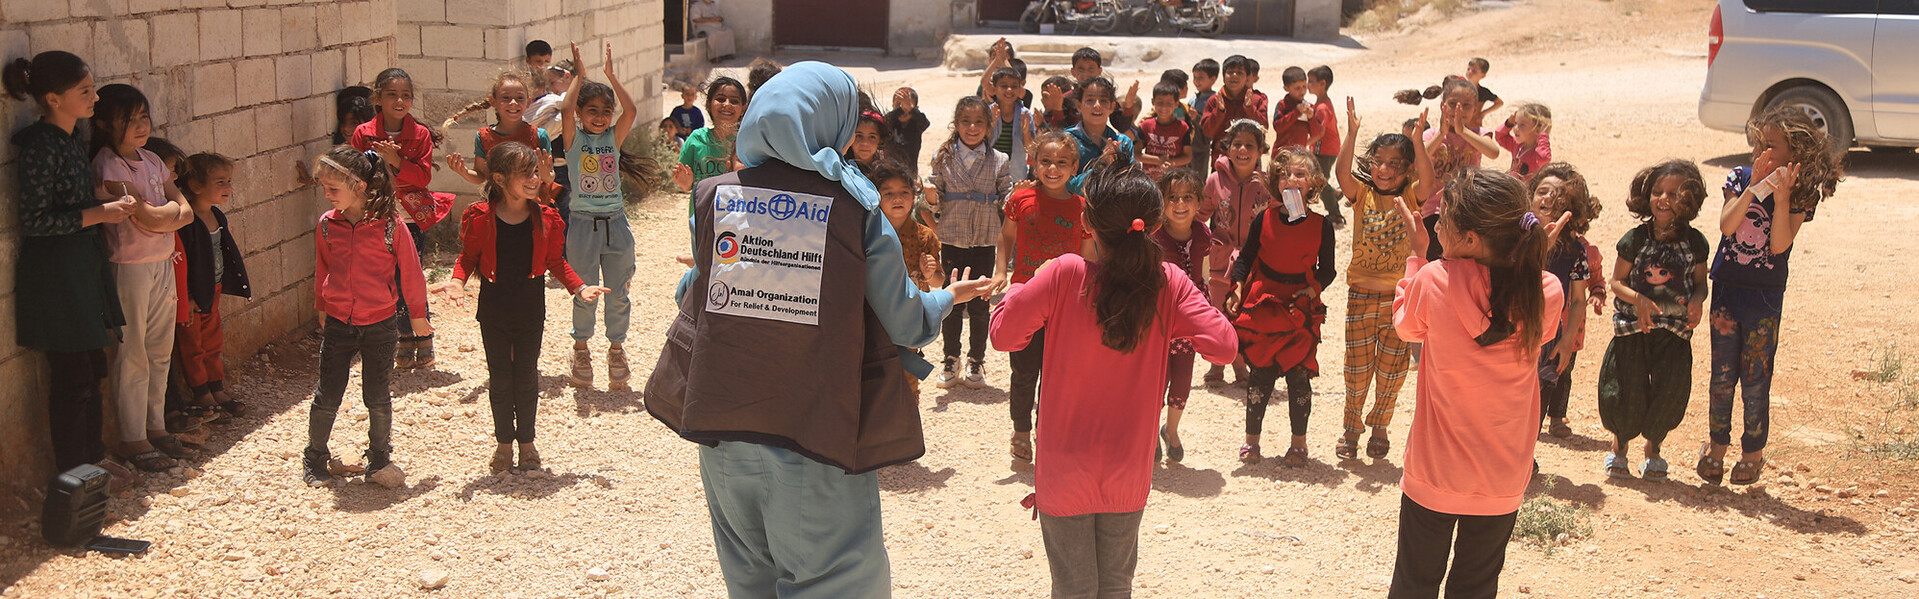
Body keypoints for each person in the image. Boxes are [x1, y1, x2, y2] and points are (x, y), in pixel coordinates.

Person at [643, 61, 991, 598]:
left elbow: (693, 293)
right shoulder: (855, 208)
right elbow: (905, 320)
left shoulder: (714, 196)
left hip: (720, 424)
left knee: (750, 581)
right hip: (813, 429)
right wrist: (947, 297)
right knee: (832, 580)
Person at [990, 158, 1236, 598]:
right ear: (1154, 223)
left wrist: (1018, 288)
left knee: (1072, 588)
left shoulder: (1065, 273)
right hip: (1128, 467)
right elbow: (1224, 346)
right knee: (1117, 586)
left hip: (1064, 467)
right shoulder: (1168, 282)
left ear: (1086, 222)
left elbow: (1004, 336)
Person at [1388, 169, 1567, 599]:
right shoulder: (1547, 290)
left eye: (1443, 221)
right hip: (1502, 478)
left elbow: (1406, 327)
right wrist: (1530, 264)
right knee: (1476, 587)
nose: (1436, 228)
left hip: (1435, 471)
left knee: (1413, 584)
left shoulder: (1433, 278)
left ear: (1469, 240)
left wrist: (1416, 255)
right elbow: (1533, 323)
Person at [6, 51, 142, 484]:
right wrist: (100, 213)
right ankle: (74, 476)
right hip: (56, 276)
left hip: (81, 269)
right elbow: (35, 221)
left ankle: (94, 459)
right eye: (85, 91)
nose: (95, 98)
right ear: (53, 98)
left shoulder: (71, 138)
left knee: (91, 368)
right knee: (72, 377)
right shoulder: (41, 147)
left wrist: (104, 206)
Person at [438, 142, 606, 474]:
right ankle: (504, 444)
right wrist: (457, 282)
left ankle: (527, 443)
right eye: (525, 173)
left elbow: (556, 262)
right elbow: (468, 257)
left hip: (530, 305)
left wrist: (580, 287)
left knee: (527, 376)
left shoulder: (547, 217)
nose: (534, 179)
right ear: (499, 179)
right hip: (494, 306)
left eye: (535, 172)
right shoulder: (479, 216)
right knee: (500, 378)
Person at [1698, 107, 1841, 486]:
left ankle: (1752, 453)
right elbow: (1728, 225)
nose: (1761, 151)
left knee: (1756, 378)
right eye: (1758, 143)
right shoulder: (1740, 177)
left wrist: (1782, 197)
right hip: (1727, 290)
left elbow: (1779, 245)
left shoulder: (1802, 195)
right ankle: (1716, 447)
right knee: (1722, 377)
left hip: (1763, 299)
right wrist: (1753, 188)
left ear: (1795, 151)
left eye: (1771, 145)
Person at [304, 145, 431, 488]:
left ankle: (379, 457)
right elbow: (322, 268)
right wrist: (322, 306)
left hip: (380, 324)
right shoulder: (327, 225)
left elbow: (411, 272)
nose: (327, 195)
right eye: (324, 188)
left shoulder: (390, 226)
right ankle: (314, 457)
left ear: (358, 186)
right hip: (339, 323)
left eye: (333, 188)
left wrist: (418, 316)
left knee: (376, 395)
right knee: (328, 394)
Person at [89, 83, 197, 471]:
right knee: (132, 352)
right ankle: (132, 436)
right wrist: (167, 215)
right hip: (129, 266)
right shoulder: (108, 165)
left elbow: (185, 211)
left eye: (143, 117)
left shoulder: (151, 158)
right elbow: (151, 216)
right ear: (105, 124)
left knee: (159, 350)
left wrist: (163, 214)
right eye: (129, 119)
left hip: (161, 262)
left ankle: (156, 427)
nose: (140, 126)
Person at [1332, 99, 1433, 461]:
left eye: (1394, 164)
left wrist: (1418, 141)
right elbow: (1342, 174)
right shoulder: (1363, 195)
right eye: (1378, 162)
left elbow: (1429, 179)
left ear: (1407, 169)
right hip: (1360, 296)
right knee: (1357, 369)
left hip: (1398, 300)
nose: (1384, 169)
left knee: (1392, 370)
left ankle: (1379, 427)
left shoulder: (1411, 196)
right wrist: (1351, 133)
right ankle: (1351, 428)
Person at [1226, 146, 1336, 466]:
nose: (1291, 179)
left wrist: (1312, 290)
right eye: (1285, 174)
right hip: (1264, 303)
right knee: (1260, 374)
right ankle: (1251, 442)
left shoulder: (1322, 226)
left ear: (1314, 183)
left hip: (1299, 307)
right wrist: (1236, 287)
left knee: (1298, 376)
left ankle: (1298, 445)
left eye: (1300, 174)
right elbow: (1246, 257)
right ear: (1277, 182)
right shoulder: (1265, 219)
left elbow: (1327, 270)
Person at [1597, 160, 1705, 481]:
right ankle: (1619, 448)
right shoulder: (1634, 239)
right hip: (1633, 328)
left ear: (1690, 198)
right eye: (1658, 191)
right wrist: (1639, 300)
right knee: (1625, 388)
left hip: (1674, 332)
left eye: (1674, 193)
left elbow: (1700, 283)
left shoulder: (1695, 243)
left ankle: (1653, 450)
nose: (1663, 199)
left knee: (1669, 390)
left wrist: (1697, 301)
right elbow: (1616, 282)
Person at [996, 130, 1093, 462]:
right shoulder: (1020, 200)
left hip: (1065, 305)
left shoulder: (1082, 208)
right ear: (1034, 163)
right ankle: (1021, 431)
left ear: (1074, 167)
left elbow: (1087, 257)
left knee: (1057, 376)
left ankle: (1048, 432)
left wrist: (1086, 298)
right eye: (1046, 161)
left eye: (1062, 162)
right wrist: (1001, 272)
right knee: (1024, 370)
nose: (1053, 169)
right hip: (1026, 297)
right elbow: (1006, 236)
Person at [349, 67, 452, 369]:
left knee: (411, 277)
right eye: (392, 94)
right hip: (376, 217)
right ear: (378, 99)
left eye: (406, 95)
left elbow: (422, 177)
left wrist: (395, 161)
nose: (399, 101)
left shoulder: (419, 135)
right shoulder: (363, 134)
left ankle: (423, 337)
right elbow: (354, 174)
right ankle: (403, 338)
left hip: (409, 219)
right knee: (386, 279)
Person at [555, 42, 640, 391]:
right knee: (585, 290)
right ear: (580, 112)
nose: (601, 117)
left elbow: (631, 110)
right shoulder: (573, 141)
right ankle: (581, 349)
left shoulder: (613, 138)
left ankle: (616, 349)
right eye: (592, 110)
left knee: (618, 291)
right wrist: (580, 74)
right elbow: (564, 109)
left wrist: (611, 76)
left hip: (615, 223)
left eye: (606, 111)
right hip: (582, 225)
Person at [924, 96, 1013, 390]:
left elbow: (1006, 194)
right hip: (953, 239)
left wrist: (1016, 195)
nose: (972, 127)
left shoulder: (999, 160)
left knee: (980, 302)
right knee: (950, 300)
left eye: (978, 122)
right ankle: (951, 357)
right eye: (965, 121)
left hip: (984, 240)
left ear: (989, 126)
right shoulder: (943, 157)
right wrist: (931, 195)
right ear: (956, 123)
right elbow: (934, 198)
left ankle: (976, 359)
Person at [173, 152, 252, 425]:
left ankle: (217, 388)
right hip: (194, 297)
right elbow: (182, 261)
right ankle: (201, 394)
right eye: (220, 182)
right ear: (195, 186)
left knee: (212, 341)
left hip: (213, 291)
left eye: (229, 181)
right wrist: (188, 297)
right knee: (193, 345)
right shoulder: (186, 221)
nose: (228, 188)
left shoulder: (216, 215)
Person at [1527, 163, 1600, 441]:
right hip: (1515, 330)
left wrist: (1568, 339)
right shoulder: (1514, 238)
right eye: (1542, 191)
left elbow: (1579, 300)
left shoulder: (1574, 251)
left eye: (1557, 196)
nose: (1548, 198)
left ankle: (1525, 455)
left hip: (1550, 336)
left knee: (1538, 402)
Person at [1199, 119, 1270, 387]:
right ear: (1227, 148)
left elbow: (1281, 217)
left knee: (1244, 315)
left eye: (1249, 145)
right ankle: (1217, 364)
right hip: (1221, 262)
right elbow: (1200, 216)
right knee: (1218, 314)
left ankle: (1241, 366)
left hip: (1254, 263)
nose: (1242, 150)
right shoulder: (1214, 180)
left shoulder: (1267, 184)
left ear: (1260, 151)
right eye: (1237, 144)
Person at [1151, 168, 1213, 463]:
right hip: (1158, 320)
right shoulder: (1153, 237)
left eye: (1187, 197)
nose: (1179, 204)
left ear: (1199, 202)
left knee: (1182, 379)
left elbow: (1205, 274)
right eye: (1172, 197)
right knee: (1156, 380)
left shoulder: (1203, 234)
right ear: (1161, 202)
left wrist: (1208, 311)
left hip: (1189, 320)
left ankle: (1171, 430)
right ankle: (1150, 433)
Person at [1419, 77, 1502, 259]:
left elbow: (1493, 152)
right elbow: (1419, 156)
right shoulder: (1431, 134)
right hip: (1433, 211)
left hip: (1467, 209)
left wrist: (1463, 131)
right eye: (1453, 104)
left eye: (1466, 105)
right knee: (1434, 261)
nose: (1459, 109)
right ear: (1442, 106)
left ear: (1475, 109)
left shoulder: (1479, 134)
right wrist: (1442, 134)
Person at [442, 70, 557, 200]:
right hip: (498, 204)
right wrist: (464, 172)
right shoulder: (484, 136)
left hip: (532, 203)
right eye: (505, 98)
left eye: (520, 98)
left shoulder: (539, 136)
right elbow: (481, 175)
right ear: (493, 101)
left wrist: (544, 172)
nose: (513, 103)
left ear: (528, 102)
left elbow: (549, 177)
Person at [673, 76, 750, 219]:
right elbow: (686, 183)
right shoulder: (696, 139)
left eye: (734, 101)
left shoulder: (748, 142)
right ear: (708, 104)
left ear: (743, 109)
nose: (727, 104)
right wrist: (686, 184)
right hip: (702, 219)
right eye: (720, 99)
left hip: (737, 219)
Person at [1064, 77, 1133, 195]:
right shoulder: (1065, 142)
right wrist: (1101, 165)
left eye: (1103, 101)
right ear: (1079, 105)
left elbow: (1131, 184)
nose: (1097, 105)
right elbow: (1064, 186)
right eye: (1090, 100)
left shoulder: (1123, 142)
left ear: (1112, 107)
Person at [1200, 55, 1267, 157]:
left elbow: (1264, 127)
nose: (1234, 75)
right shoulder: (1215, 100)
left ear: (1247, 78)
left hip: (1248, 157)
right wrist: (1219, 111)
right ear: (1223, 77)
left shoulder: (1256, 100)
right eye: (1230, 72)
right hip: (1221, 156)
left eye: (1240, 72)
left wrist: (1250, 109)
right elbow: (1207, 132)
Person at [1306, 66, 1346, 226]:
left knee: (1319, 181)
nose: (1308, 84)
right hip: (1327, 148)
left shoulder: (1322, 108)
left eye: (1311, 81)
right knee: (1319, 179)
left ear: (1322, 84)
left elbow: (1320, 132)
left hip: (1325, 149)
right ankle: (1334, 193)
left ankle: (1335, 213)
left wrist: (1304, 143)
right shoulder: (1320, 104)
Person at [983, 68, 1037, 181]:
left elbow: (1030, 149)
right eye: (1004, 86)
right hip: (989, 173)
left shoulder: (1025, 115)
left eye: (1014, 86)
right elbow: (980, 143)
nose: (1009, 90)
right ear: (994, 88)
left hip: (1016, 175)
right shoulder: (987, 113)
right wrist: (990, 126)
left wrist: (1026, 133)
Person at [1136, 82, 1192, 179]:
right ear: (1153, 101)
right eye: (1160, 102)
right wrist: (1158, 160)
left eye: (1169, 103)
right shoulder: (1146, 126)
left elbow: (1187, 157)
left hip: (1174, 179)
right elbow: (1136, 154)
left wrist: (1169, 163)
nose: (1164, 107)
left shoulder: (1182, 128)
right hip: (1150, 180)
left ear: (1176, 104)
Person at [1494, 103, 1553, 180]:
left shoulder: (1538, 152)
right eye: (1515, 123)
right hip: (1515, 185)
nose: (1515, 128)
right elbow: (1500, 137)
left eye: (1522, 125)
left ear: (1538, 129)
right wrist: (1508, 123)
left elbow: (1544, 158)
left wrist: (1543, 134)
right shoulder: (1517, 145)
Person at [886, 87, 932, 178]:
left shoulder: (916, 126)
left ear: (915, 108)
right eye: (898, 105)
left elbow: (925, 123)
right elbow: (884, 121)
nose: (903, 109)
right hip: (889, 173)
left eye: (907, 105)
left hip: (910, 175)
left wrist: (910, 108)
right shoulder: (890, 125)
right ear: (893, 107)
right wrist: (899, 109)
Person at [1189, 58, 1219, 178]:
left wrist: (1197, 117)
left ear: (1212, 79)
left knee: (1199, 177)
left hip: (1202, 145)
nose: (1196, 81)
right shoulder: (1193, 99)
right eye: (1195, 77)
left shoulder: (1213, 100)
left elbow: (1212, 124)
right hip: (1189, 145)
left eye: (1200, 78)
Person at [1465, 57, 1501, 129]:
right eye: (1468, 69)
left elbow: (1499, 103)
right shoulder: (1458, 88)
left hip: (1474, 127)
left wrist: (1483, 114)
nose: (1469, 72)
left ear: (1483, 75)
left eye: (1474, 71)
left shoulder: (1483, 92)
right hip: (1458, 128)